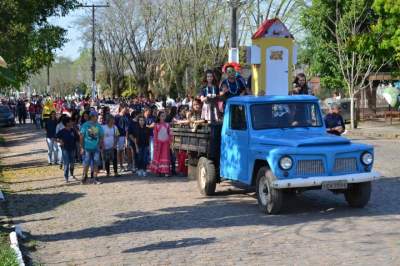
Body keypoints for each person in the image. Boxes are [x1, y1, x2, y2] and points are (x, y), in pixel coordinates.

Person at [80, 111, 104, 184]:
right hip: (87, 148)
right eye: (96, 116)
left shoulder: (98, 126)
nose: (97, 118)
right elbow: (81, 136)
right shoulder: (85, 125)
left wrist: (99, 145)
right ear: (93, 116)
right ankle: (84, 177)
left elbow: (101, 136)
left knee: (96, 162)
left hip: (95, 148)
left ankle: (95, 178)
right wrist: (82, 147)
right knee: (86, 163)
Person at [56, 117, 79, 183]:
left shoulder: (73, 130)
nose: (72, 122)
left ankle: (71, 175)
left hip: (73, 149)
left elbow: (77, 138)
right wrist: (60, 141)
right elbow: (56, 138)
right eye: (70, 121)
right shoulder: (62, 131)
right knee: (66, 163)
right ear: (67, 123)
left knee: (72, 163)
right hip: (65, 149)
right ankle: (66, 177)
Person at [150, 111, 173, 177]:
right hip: (159, 144)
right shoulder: (156, 125)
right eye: (162, 116)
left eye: (164, 116)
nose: (163, 117)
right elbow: (155, 135)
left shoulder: (168, 125)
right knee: (158, 157)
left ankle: (165, 171)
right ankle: (159, 170)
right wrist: (155, 144)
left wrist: (170, 142)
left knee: (165, 157)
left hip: (166, 144)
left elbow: (170, 134)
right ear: (159, 117)